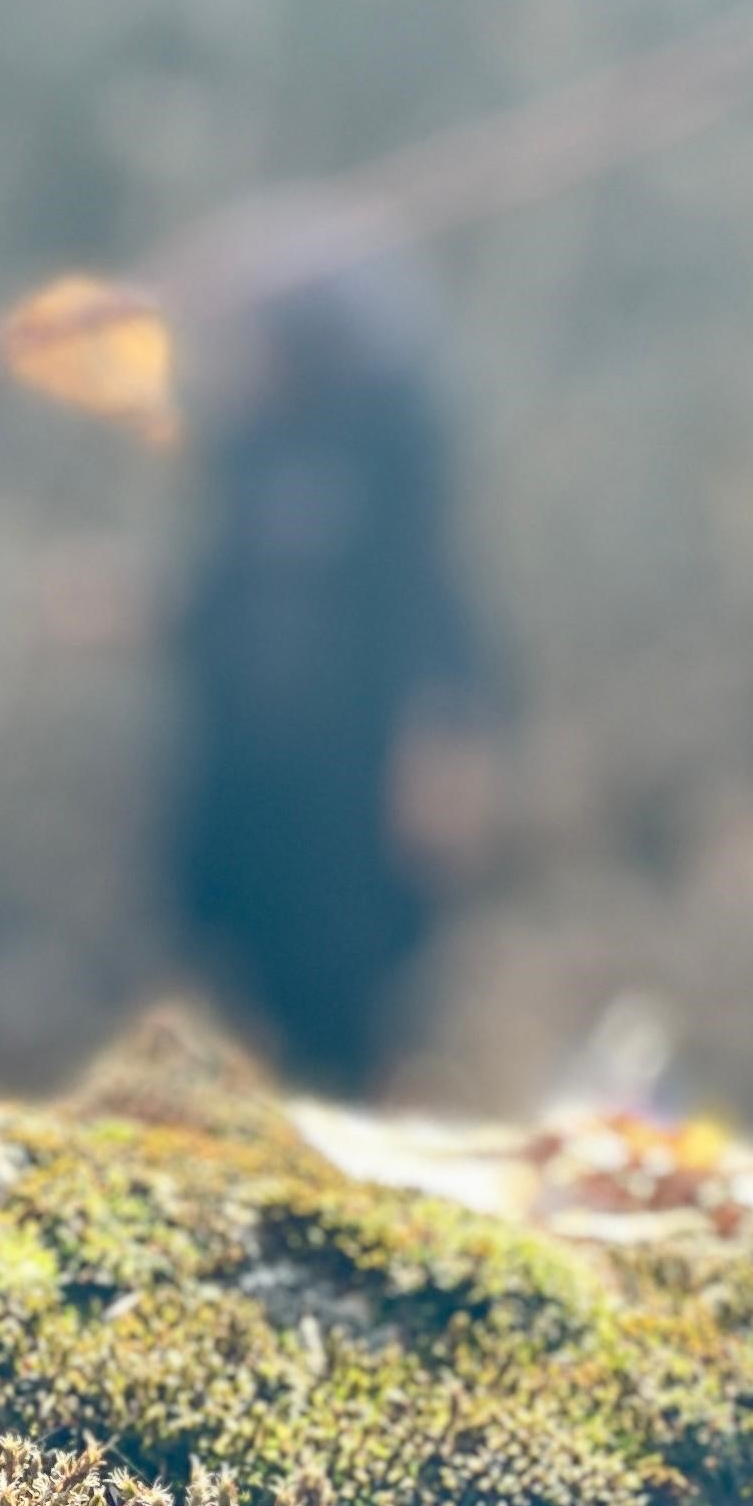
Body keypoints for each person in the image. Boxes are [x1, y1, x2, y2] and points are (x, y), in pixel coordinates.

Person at [167, 244, 494, 1096]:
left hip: (351, 769)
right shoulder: (248, 451)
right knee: (232, 946)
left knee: (350, 974)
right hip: (246, 764)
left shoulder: (389, 442)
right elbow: (224, 593)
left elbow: (425, 597)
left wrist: (441, 741)